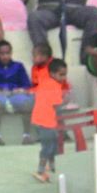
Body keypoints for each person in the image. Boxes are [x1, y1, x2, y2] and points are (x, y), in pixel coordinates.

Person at [0, 39, 34, 145]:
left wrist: (20, 89)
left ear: (11, 53)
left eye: (7, 53)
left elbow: (27, 85)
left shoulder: (18, 67)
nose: (5, 56)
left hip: (16, 96)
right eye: (2, 53)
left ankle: (27, 135)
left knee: (27, 103)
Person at [31, 55, 70, 183]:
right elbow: (57, 106)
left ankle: (51, 166)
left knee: (52, 144)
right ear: (53, 73)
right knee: (48, 147)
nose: (64, 78)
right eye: (61, 75)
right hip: (45, 122)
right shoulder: (54, 86)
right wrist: (66, 101)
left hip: (41, 120)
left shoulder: (46, 82)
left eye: (65, 75)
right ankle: (40, 171)